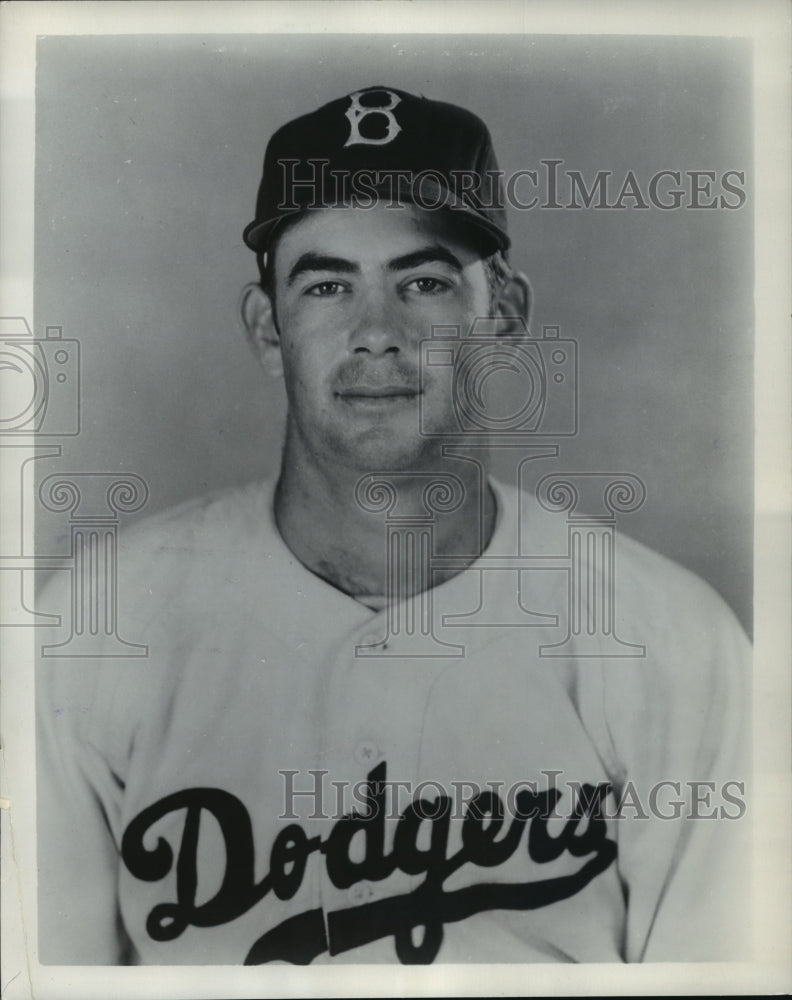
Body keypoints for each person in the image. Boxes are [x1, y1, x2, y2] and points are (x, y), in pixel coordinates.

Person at [36, 85, 751, 966]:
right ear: (268, 329)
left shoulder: (671, 641)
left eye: (424, 282)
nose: (377, 332)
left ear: (506, 315)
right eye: (328, 284)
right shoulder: (91, 633)